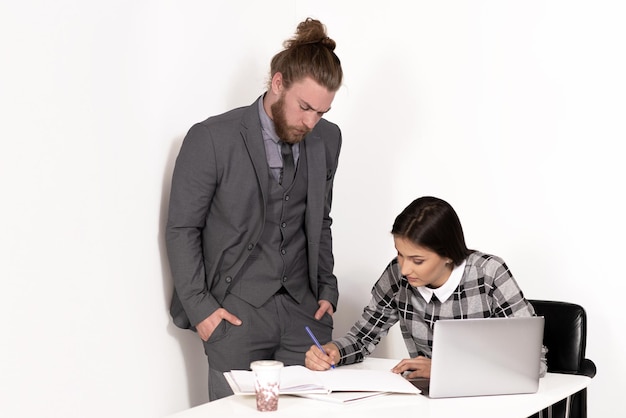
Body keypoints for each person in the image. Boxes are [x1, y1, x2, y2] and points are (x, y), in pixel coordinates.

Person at [166, 18, 343, 401]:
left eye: (322, 113)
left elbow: (320, 219)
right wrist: (202, 311)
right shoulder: (212, 138)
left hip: (303, 313)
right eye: (305, 107)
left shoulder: (328, 139)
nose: (311, 122)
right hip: (235, 314)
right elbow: (182, 229)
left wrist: (327, 287)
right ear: (277, 83)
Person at [305, 196, 547, 378]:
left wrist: (445, 369)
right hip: (427, 402)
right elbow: (361, 339)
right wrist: (333, 350)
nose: (404, 269)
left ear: (448, 256)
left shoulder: (489, 274)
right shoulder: (396, 276)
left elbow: (533, 362)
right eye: (400, 254)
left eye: (417, 260)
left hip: (489, 402)